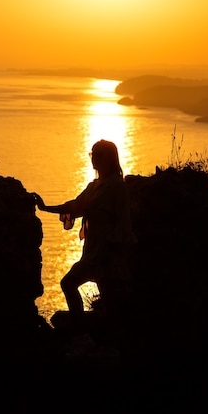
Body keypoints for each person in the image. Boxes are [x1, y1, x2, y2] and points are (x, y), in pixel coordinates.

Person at [33, 139, 135, 344]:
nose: (94, 159)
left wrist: (112, 251)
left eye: (98, 155)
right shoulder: (94, 186)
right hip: (93, 251)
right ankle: (92, 339)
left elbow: (123, 223)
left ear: (109, 158)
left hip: (106, 253)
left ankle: (93, 340)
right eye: (92, 154)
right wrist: (45, 208)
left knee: (102, 298)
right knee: (107, 301)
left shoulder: (117, 187)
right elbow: (75, 206)